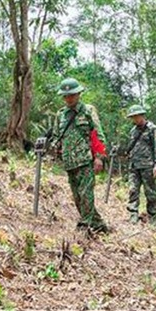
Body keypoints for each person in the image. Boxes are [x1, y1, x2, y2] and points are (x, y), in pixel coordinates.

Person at [53, 77, 109, 234]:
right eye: (65, 96)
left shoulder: (88, 110)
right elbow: (57, 137)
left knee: (86, 194)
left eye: (72, 95)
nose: (68, 98)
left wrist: (99, 157)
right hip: (69, 161)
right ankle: (99, 225)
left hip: (85, 160)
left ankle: (85, 226)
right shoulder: (60, 115)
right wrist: (54, 150)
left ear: (78, 94)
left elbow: (98, 135)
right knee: (77, 197)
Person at [125, 105, 156, 226]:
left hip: (148, 165)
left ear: (142, 115)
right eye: (133, 117)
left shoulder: (152, 129)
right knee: (132, 190)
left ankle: (153, 219)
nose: (135, 119)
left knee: (150, 193)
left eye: (136, 116)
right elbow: (131, 147)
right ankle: (133, 215)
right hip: (134, 166)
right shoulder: (133, 131)